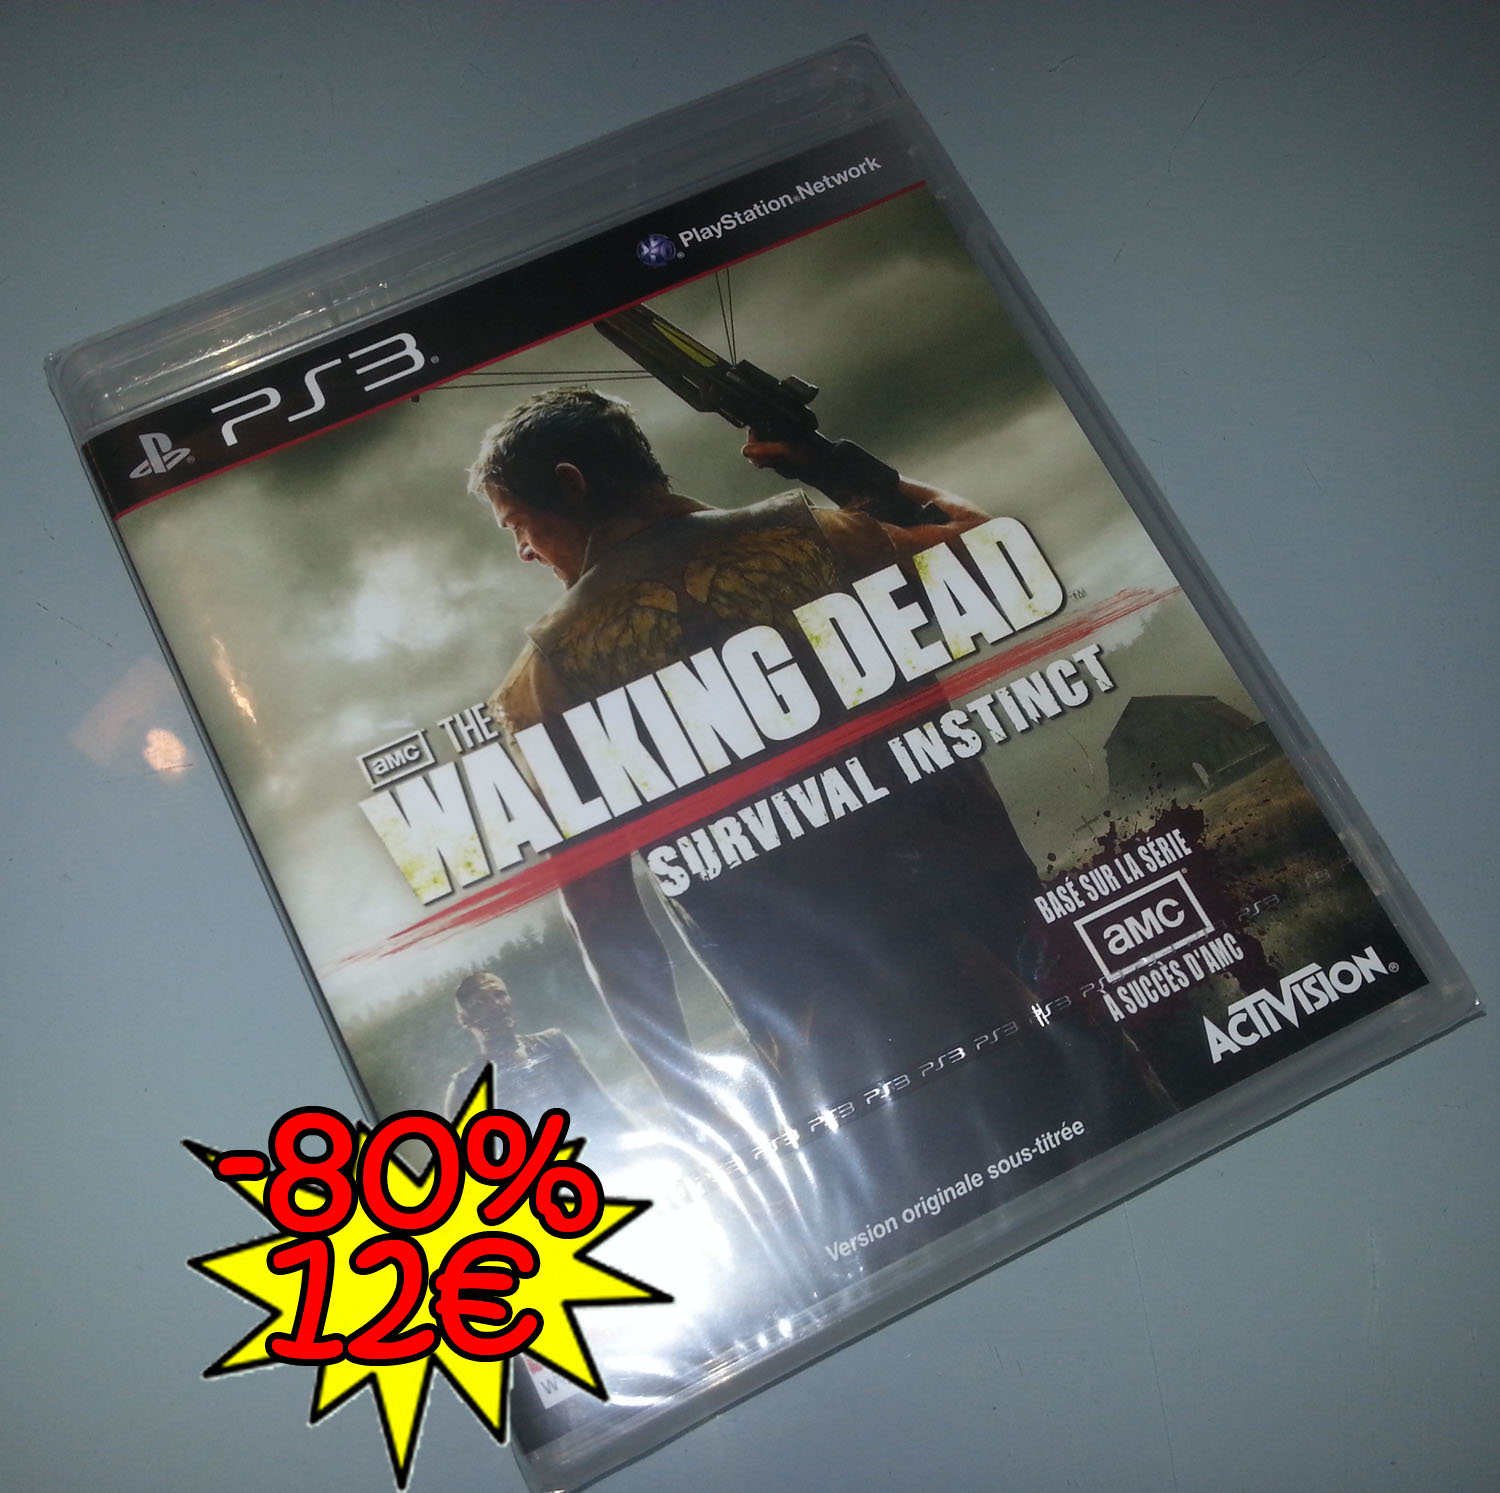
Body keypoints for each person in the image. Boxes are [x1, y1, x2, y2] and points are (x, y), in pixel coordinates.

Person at [467, 387, 1162, 1182]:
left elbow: (608, 924)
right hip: (1015, 970)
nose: (524, 552)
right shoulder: (824, 540)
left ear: (571, 483)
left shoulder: (544, 682)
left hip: (837, 1063)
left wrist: (694, 1109)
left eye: (518, 525)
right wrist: (839, 469)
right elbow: (990, 551)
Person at [444, 970, 634, 1150]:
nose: (496, 1004)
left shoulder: (553, 1043)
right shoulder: (465, 1086)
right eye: (480, 1002)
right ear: (464, 1019)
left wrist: (641, 1135)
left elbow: (604, 1103)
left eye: (499, 995)